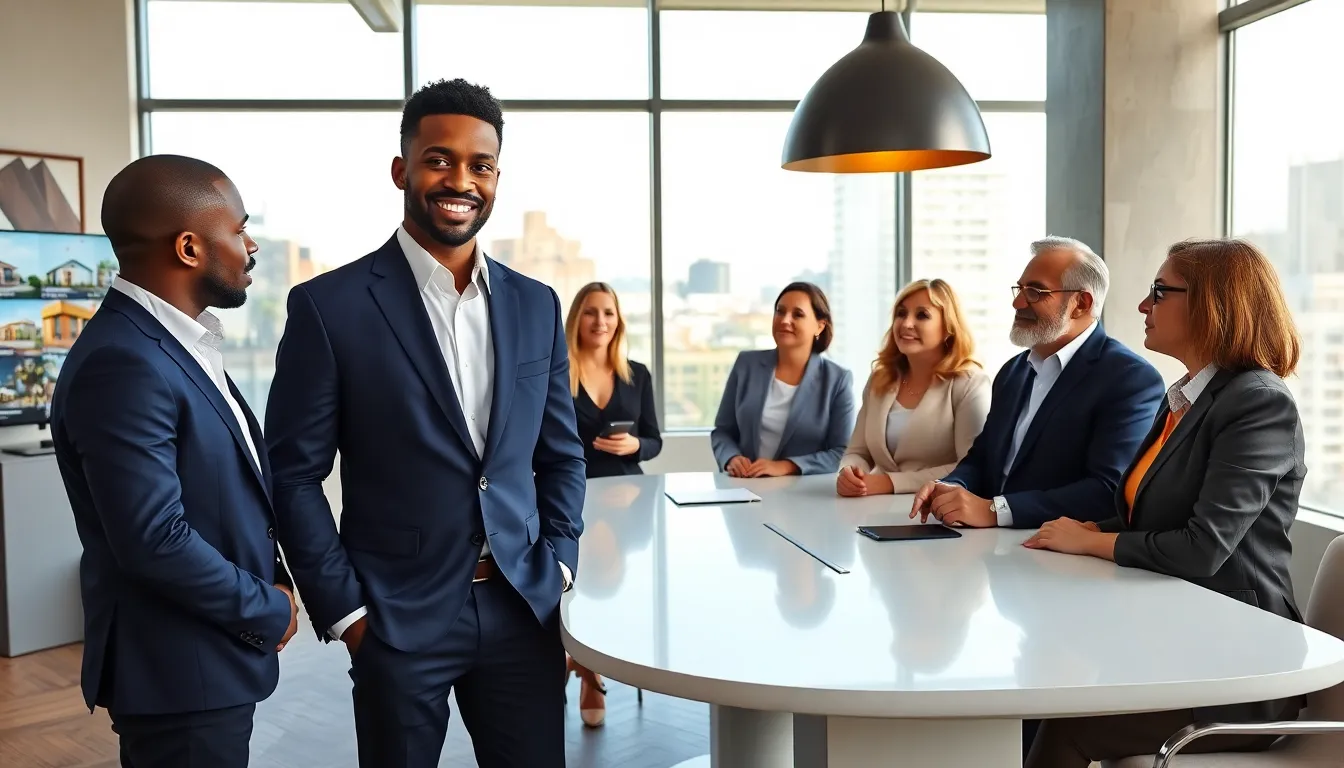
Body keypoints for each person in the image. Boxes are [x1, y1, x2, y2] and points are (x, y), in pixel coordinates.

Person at [264, 79, 586, 768]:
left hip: (521, 604)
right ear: (401, 169)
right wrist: (349, 614)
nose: (460, 180)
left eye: (480, 165)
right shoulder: (329, 307)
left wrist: (558, 564)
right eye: (439, 159)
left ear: (496, 178)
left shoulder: (536, 305)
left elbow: (561, 454)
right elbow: (293, 475)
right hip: (394, 619)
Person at [50, 154, 298, 768]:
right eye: (239, 229)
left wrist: (276, 578)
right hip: (179, 675)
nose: (251, 245)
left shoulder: (178, 343)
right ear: (189, 248)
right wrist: (266, 606)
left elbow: (224, 492)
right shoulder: (124, 362)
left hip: (206, 661)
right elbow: (154, 540)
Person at [1023, 238, 1307, 767]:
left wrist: (1091, 542)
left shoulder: (1259, 402)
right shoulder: (1184, 395)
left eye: (1159, 292)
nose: (1141, 305)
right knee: (1044, 678)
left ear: (1213, 304)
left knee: (1066, 724)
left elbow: (1202, 548)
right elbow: (1148, 514)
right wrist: (1087, 530)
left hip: (1240, 668)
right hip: (1171, 639)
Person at [912, 236, 1165, 529]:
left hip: (1057, 551)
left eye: (1035, 292)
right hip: (988, 544)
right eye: (1020, 289)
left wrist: (995, 510)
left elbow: (1109, 490)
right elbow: (982, 459)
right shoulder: (1012, 372)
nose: (1017, 302)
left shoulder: (1130, 379)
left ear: (1081, 304)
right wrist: (951, 486)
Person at [564, 280, 662, 726]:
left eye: (608, 312)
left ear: (618, 320)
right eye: (591, 311)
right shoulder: (557, 372)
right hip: (573, 496)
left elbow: (654, 441)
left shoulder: (636, 374)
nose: (600, 321)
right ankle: (587, 669)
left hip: (630, 499)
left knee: (620, 589)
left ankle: (592, 667)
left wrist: (634, 446)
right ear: (576, 319)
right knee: (575, 589)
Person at [837, 278, 990, 497]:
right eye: (901, 314)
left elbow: (971, 466)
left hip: (937, 507)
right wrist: (850, 473)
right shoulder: (880, 378)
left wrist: (889, 483)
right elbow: (858, 452)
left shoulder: (969, 383)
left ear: (948, 328)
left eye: (922, 315)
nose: (906, 323)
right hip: (872, 505)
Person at [711, 281, 856, 477]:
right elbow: (723, 431)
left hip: (801, 490)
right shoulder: (746, 365)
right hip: (744, 485)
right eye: (780, 311)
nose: (785, 320)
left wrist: (787, 466)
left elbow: (841, 452)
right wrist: (731, 458)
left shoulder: (837, 380)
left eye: (798, 314)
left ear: (820, 326)